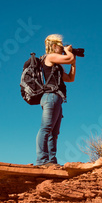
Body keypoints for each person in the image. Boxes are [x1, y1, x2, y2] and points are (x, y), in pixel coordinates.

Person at [36, 34, 76, 166]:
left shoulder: (57, 65)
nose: (62, 47)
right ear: (54, 46)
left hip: (56, 98)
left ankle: (51, 160)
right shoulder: (49, 57)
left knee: (54, 132)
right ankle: (42, 160)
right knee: (46, 129)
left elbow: (70, 78)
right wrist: (69, 53)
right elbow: (68, 58)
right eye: (60, 45)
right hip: (50, 96)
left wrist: (73, 62)